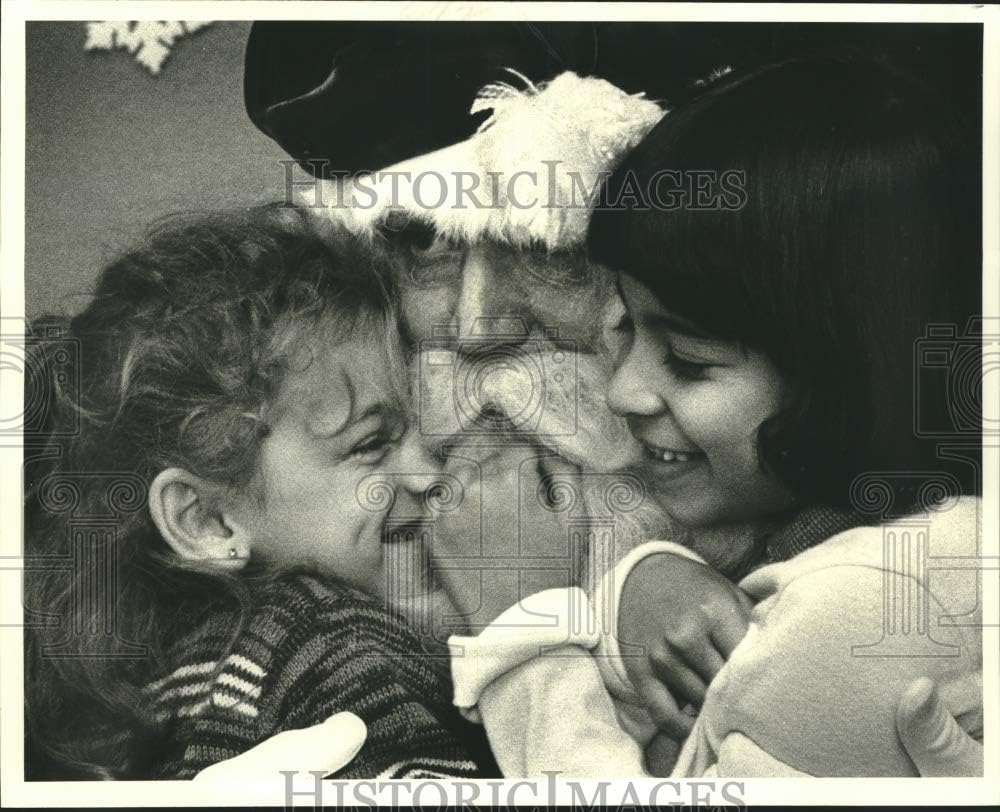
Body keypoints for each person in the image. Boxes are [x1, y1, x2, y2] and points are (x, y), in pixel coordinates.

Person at [229, 26, 985, 777]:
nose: (477, 328)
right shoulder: (311, 553)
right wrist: (634, 585)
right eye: (425, 243)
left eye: (548, 248)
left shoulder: (876, 581)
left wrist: (559, 610)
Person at [22, 205, 499, 780]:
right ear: (207, 522)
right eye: (371, 442)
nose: (430, 474)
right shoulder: (334, 647)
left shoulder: (184, 670)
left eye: (423, 427)